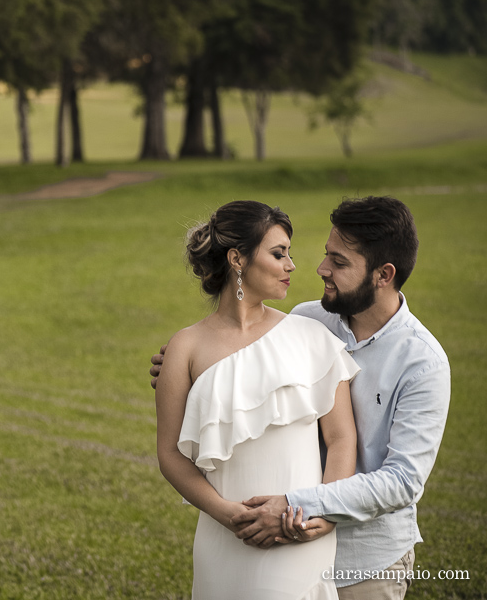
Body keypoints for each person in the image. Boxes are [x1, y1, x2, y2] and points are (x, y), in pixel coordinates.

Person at [151, 196, 451, 600]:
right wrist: (187, 378)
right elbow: (245, 368)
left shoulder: (423, 363)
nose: (318, 269)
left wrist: (311, 510)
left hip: (368, 556)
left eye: (339, 263)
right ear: (238, 260)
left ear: (384, 275)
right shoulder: (310, 319)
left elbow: (400, 481)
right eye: (327, 255)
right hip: (237, 540)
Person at [156, 200, 360, 600]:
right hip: (223, 540)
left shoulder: (313, 338)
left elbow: (341, 439)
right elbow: (170, 456)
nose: (292, 265)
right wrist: (226, 513)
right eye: (278, 253)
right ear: (237, 259)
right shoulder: (185, 348)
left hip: (301, 532)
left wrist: (326, 512)